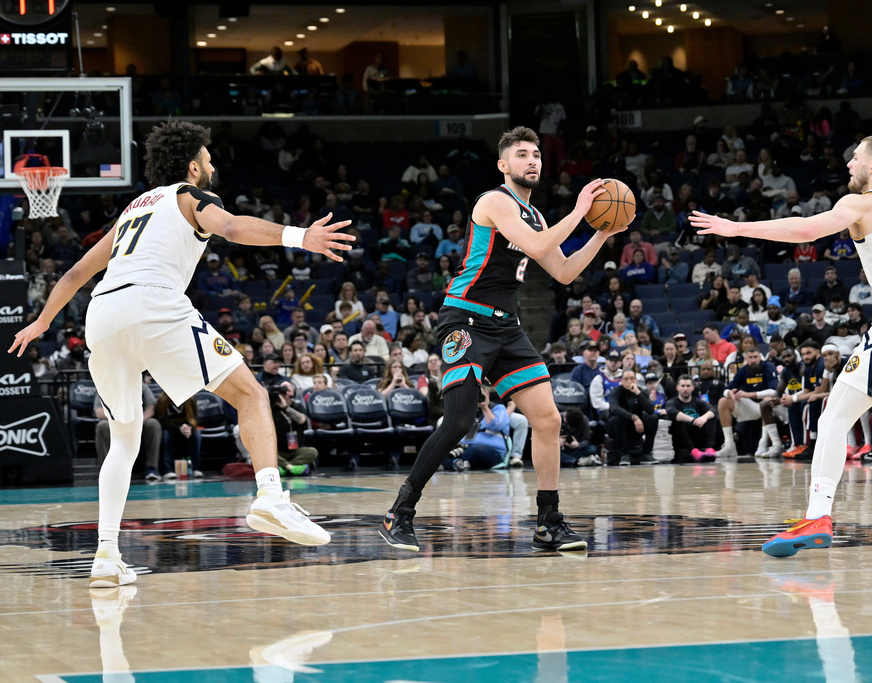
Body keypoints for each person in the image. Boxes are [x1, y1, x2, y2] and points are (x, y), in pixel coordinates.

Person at [9, 121, 355, 587]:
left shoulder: (134, 208)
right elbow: (231, 227)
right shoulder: (191, 197)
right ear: (193, 165)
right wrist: (298, 237)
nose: (212, 166)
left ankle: (107, 555)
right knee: (251, 394)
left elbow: (73, 274)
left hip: (103, 316)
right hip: (151, 303)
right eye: (208, 159)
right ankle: (271, 496)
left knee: (124, 439)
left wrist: (42, 323)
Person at [691, 134, 872, 557]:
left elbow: (807, 229)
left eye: (855, 158)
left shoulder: (862, 202)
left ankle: (818, 514)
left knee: (835, 415)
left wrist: (734, 228)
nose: (849, 165)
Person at [378, 126, 618, 554]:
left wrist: (603, 232)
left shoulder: (538, 216)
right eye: (523, 154)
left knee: (548, 419)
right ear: (504, 165)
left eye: (537, 155)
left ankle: (548, 523)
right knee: (458, 420)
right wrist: (582, 209)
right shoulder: (494, 201)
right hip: (465, 318)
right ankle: (400, 512)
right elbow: (540, 244)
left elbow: (562, 272)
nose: (533, 161)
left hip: (507, 326)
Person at [605, 369, 659, 466]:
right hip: (617, 427)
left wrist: (637, 393)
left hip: (636, 428)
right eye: (626, 379)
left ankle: (646, 453)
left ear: (636, 380)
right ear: (621, 381)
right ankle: (624, 454)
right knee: (618, 418)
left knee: (653, 418)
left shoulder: (641, 392)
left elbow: (650, 409)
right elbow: (614, 408)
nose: (629, 381)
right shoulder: (616, 391)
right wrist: (634, 418)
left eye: (631, 379)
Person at [662, 375, 717, 463]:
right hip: (682, 442)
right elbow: (672, 412)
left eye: (688, 386)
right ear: (677, 388)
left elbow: (713, 410)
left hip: (697, 437)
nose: (685, 389)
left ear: (693, 388)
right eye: (682, 386)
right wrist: (692, 420)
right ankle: (692, 450)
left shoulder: (698, 402)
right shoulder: (672, 402)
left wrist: (703, 418)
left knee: (711, 417)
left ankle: (709, 448)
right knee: (679, 420)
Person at [270, 381, 318, 476]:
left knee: (312, 452)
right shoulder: (271, 409)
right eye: (282, 392)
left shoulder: (297, 406)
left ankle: (284, 467)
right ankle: (292, 468)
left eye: (288, 391)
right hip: (277, 450)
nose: (285, 394)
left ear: (293, 394)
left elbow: (302, 420)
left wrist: (286, 407)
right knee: (266, 453)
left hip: (295, 450)